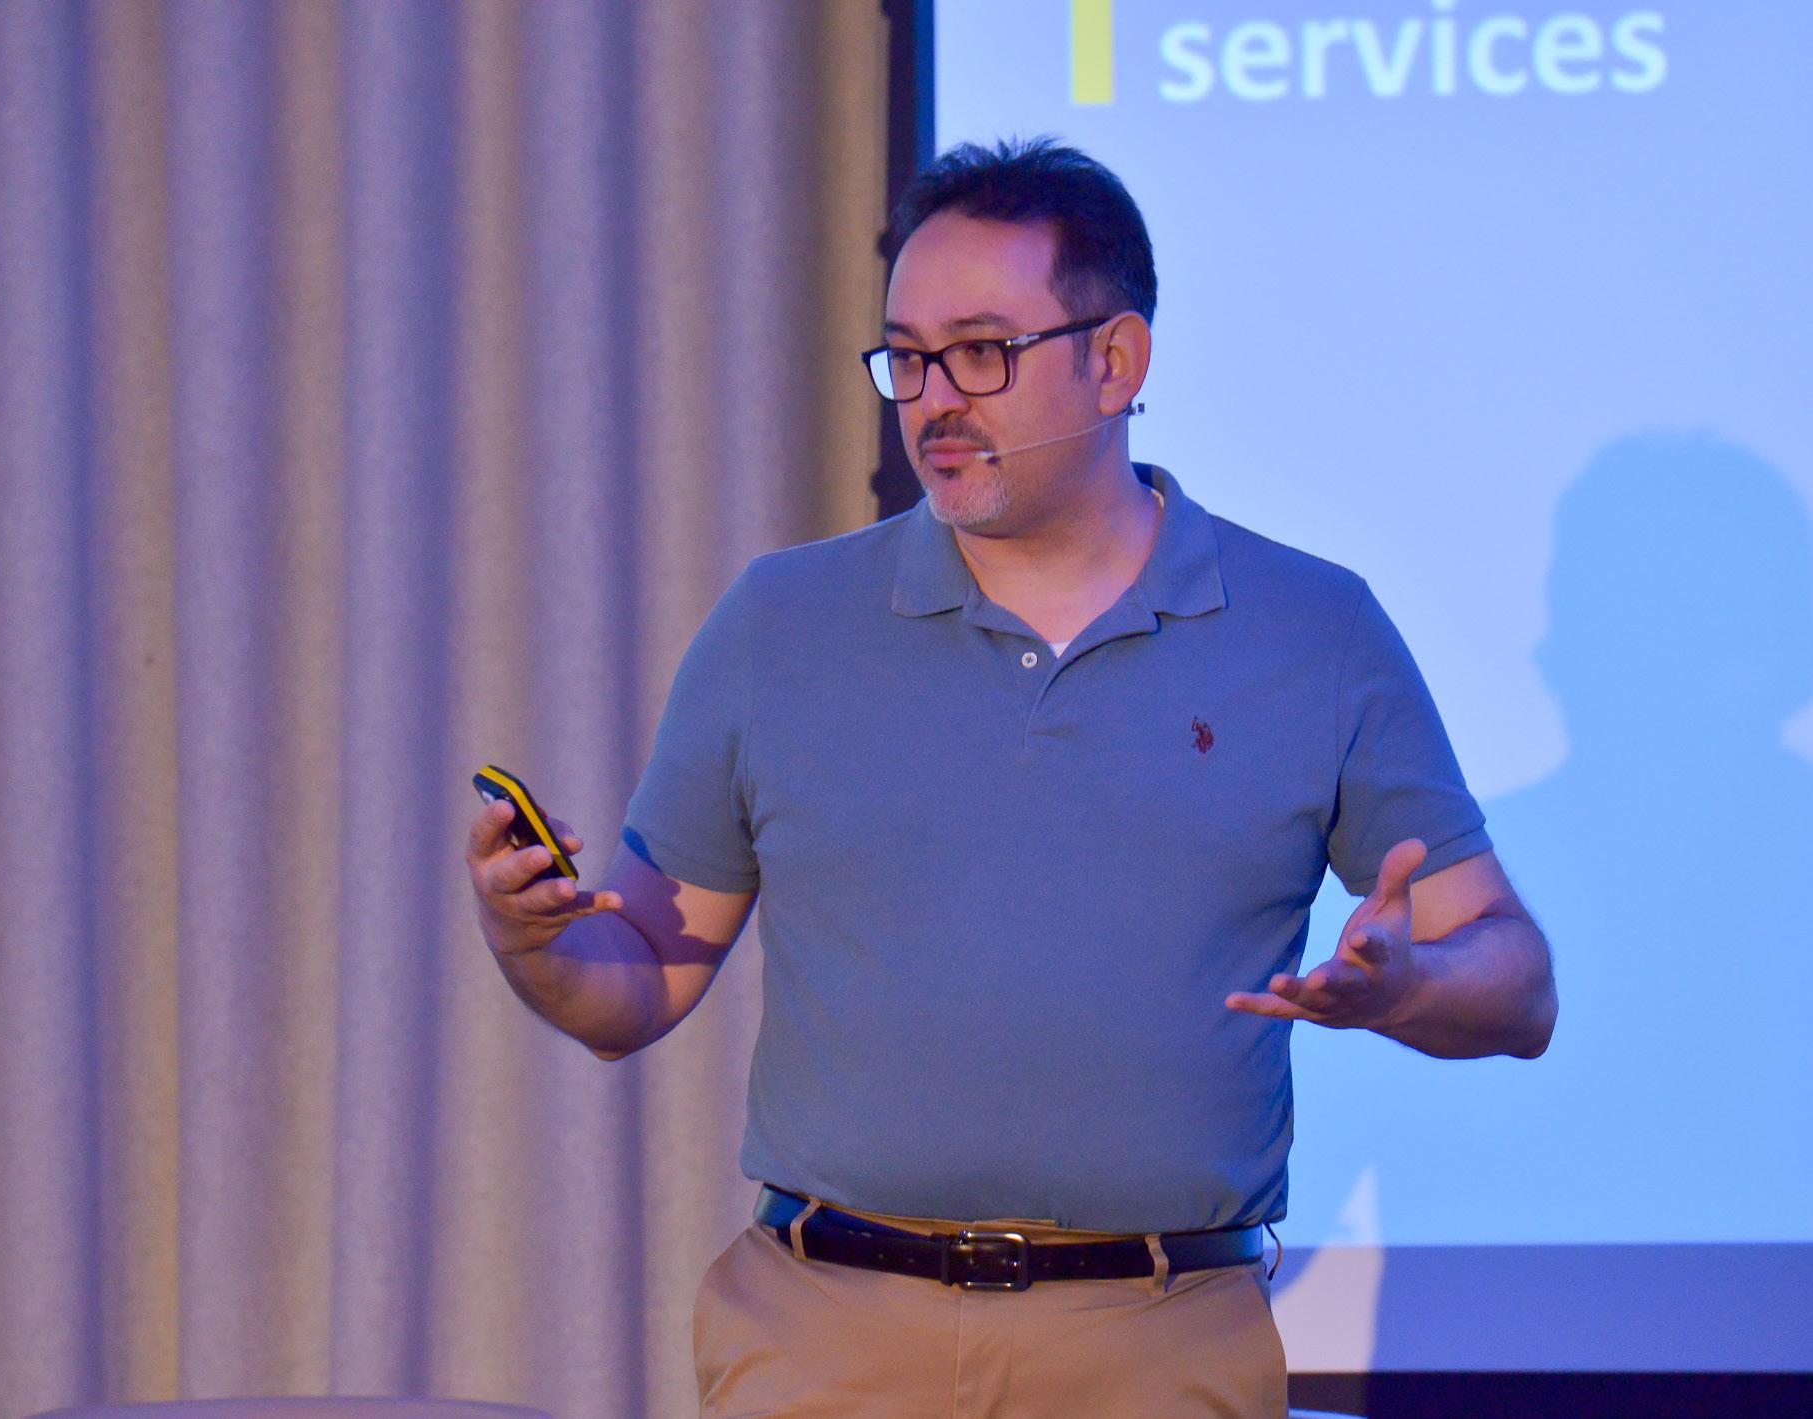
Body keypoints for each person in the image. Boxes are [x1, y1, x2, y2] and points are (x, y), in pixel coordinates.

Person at [464, 138, 1557, 1418]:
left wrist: (1411, 984)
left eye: (981, 352)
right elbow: (639, 977)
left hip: (1155, 1343)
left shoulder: (1311, 631)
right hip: (824, 1338)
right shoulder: (780, 623)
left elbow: (1517, 984)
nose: (933, 400)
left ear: (1116, 361)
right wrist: (534, 943)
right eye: (906, 357)